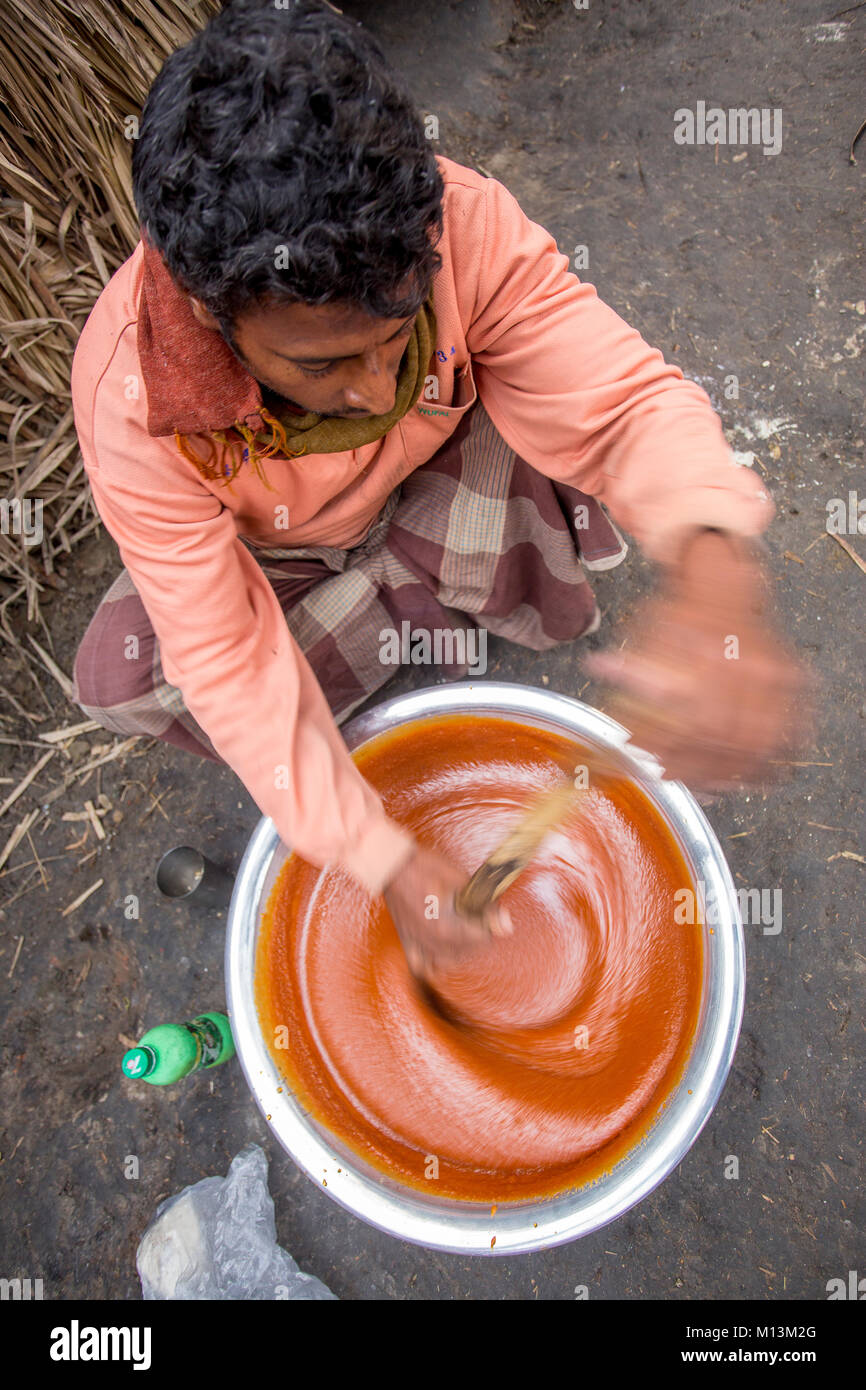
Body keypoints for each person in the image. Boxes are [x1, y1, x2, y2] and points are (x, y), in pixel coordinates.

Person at [70, 0, 803, 973]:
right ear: (213, 312)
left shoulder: (458, 218)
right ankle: (416, 598)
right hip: (281, 553)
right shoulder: (131, 396)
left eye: (394, 337)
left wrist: (716, 575)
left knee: (555, 439)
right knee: (127, 675)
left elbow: (619, 400)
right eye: (319, 364)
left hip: (435, 469)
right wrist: (375, 855)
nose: (376, 388)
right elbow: (222, 645)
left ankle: (406, 601)